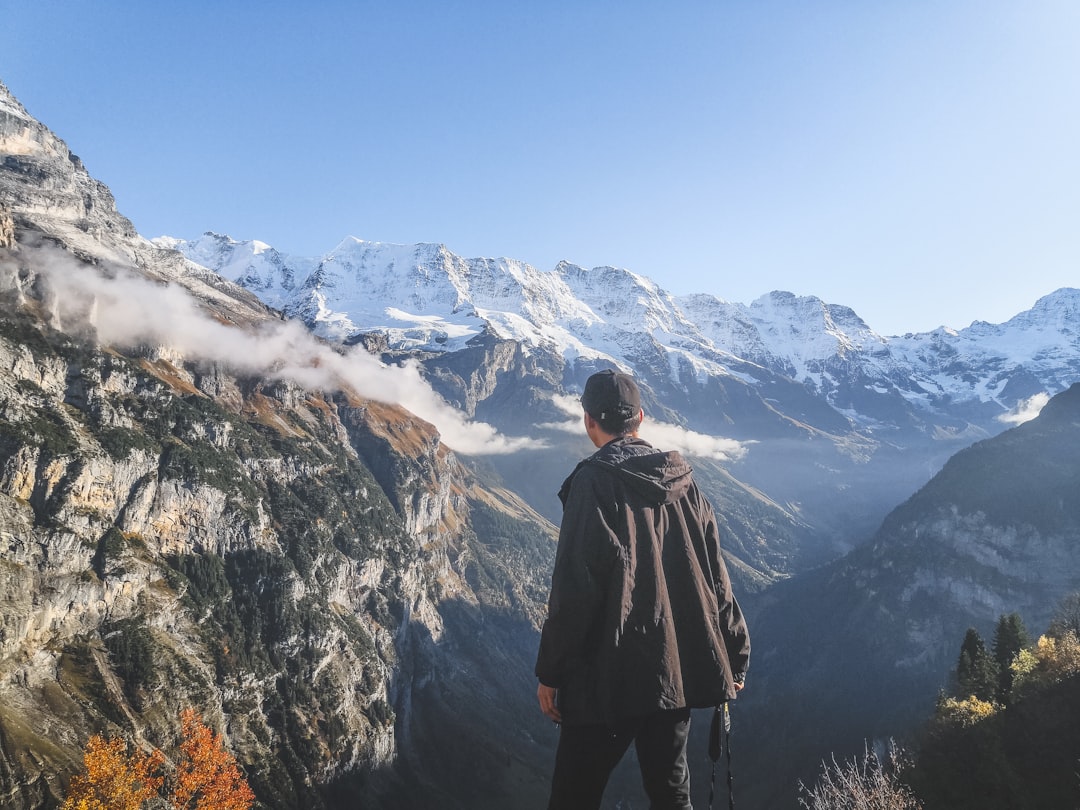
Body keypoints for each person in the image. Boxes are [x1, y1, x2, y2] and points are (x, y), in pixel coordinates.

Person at [535, 369, 750, 810]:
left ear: (588, 420)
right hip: (675, 669)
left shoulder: (593, 484)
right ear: (641, 418)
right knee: (672, 795)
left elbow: (576, 589)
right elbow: (715, 577)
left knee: (573, 797)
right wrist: (735, 652)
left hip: (606, 680)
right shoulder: (684, 481)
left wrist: (551, 673)